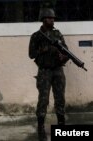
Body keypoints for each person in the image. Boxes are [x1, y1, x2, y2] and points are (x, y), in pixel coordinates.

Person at [28, 8, 69, 141]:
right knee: (43, 100)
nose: (52, 20)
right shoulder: (36, 36)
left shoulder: (57, 34)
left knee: (60, 99)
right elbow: (31, 54)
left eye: (53, 18)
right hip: (44, 71)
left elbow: (66, 51)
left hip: (58, 70)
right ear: (43, 19)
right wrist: (43, 49)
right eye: (50, 18)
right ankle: (40, 127)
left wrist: (63, 57)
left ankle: (61, 125)